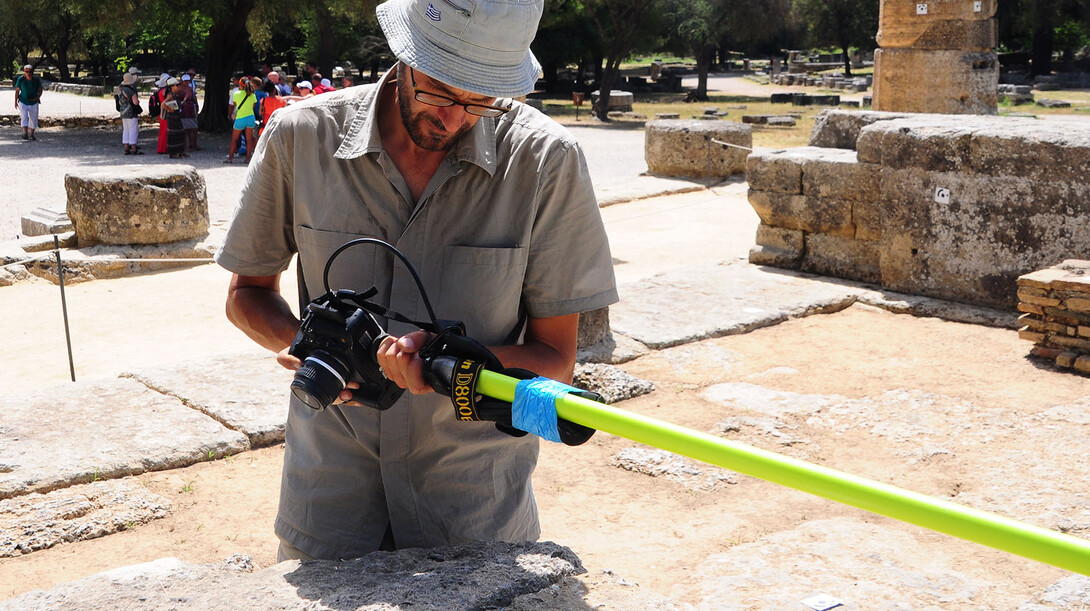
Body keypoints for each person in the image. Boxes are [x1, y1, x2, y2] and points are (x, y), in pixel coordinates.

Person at [214, 0, 617, 562]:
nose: (454, 117)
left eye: (481, 99)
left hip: (474, 513)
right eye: (440, 89)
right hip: (329, 502)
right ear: (404, 53)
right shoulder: (299, 138)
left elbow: (555, 357)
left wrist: (454, 365)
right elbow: (247, 294)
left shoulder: (546, 162)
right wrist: (312, 348)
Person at [225, 77, 257, 163]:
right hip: (250, 118)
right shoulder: (253, 95)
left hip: (240, 118)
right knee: (249, 140)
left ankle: (230, 158)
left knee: (234, 139)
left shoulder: (236, 93)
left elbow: (235, 104)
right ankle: (247, 159)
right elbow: (253, 106)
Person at [117, 71, 143, 155]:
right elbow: (135, 102)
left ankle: (126, 148)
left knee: (126, 130)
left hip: (123, 112)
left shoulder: (121, 90)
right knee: (133, 130)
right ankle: (134, 148)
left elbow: (120, 102)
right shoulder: (131, 91)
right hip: (131, 112)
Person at [14, 65, 43, 141]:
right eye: (27, 72)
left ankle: (32, 134)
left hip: (34, 102)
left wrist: (37, 98)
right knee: (24, 117)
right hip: (23, 101)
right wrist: (15, 101)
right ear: (24, 72)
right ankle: (25, 133)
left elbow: (40, 90)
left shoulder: (36, 80)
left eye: (30, 72)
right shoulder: (21, 79)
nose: (28, 73)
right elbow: (17, 91)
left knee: (33, 119)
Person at [162, 77, 187, 159]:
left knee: (180, 133)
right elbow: (163, 104)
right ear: (172, 86)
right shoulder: (170, 95)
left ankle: (180, 151)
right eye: (177, 85)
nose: (178, 87)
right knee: (173, 135)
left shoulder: (174, 94)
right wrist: (169, 109)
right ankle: (173, 153)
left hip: (176, 117)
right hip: (172, 118)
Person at [179, 73, 200, 150]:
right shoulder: (179, 89)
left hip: (191, 109)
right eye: (185, 81)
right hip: (184, 110)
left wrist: (196, 106)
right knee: (184, 129)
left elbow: (194, 98)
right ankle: (184, 146)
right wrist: (184, 99)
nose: (187, 82)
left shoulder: (190, 89)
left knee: (194, 128)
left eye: (188, 81)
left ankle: (194, 144)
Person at [152, 73, 171, 154]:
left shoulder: (159, 90)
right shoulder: (165, 91)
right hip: (165, 111)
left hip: (161, 112)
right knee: (165, 131)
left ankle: (161, 148)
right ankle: (164, 148)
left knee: (162, 131)